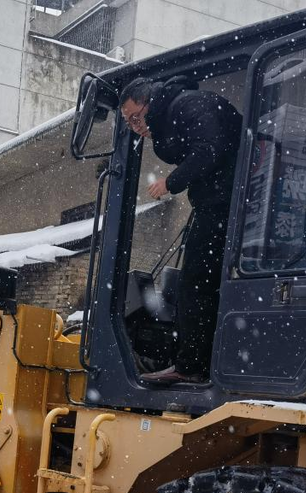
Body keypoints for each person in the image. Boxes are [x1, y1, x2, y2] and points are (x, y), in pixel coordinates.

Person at [119, 75, 242, 385]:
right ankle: (194, 361)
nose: (135, 126)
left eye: (136, 117)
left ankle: (191, 367)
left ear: (151, 102)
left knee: (196, 283)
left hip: (226, 205)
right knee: (191, 282)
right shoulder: (177, 112)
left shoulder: (188, 105)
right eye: (129, 122)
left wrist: (170, 182)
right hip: (219, 203)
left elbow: (210, 150)